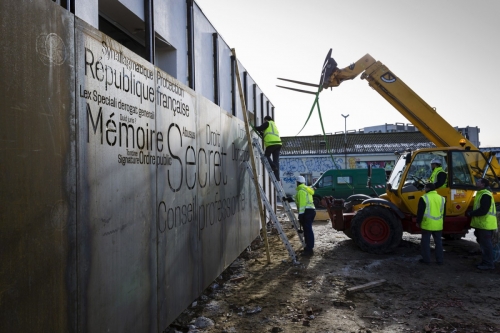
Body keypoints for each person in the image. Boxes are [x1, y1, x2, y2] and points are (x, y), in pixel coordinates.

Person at [466, 178, 497, 270]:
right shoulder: (481, 194)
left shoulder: (485, 195)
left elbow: (483, 210)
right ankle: (485, 262)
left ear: (483, 184)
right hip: (482, 224)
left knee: (486, 245)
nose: (476, 182)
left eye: (478, 181)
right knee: (484, 245)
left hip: (486, 224)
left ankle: (488, 264)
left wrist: (471, 213)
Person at [416, 183, 445, 265]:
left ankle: (426, 260)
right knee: (438, 243)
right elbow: (444, 213)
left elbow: (420, 212)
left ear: (428, 188)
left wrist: (418, 222)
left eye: (425, 187)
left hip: (427, 224)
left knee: (425, 242)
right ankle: (440, 260)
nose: (424, 189)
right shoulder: (442, 198)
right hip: (438, 224)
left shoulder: (424, 198)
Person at [254, 115, 282, 180]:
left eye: (264, 121)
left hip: (271, 143)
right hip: (278, 144)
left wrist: (254, 127)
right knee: (276, 160)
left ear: (266, 119)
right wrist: (260, 133)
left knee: (266, 156)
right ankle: (277, 177)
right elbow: (265, 134)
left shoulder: (267, 123)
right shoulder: (274, 125)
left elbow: (260, 128)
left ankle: (273, 166)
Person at [294, 176, 316, 256]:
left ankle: (309, 250)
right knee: (308, 230)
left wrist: (301, 215)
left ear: (297, 183)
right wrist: (290, 199)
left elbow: (302, 204)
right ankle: (309, 248)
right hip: (311, 211)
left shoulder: (301, 191)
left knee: (308, 231)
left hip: (306, 212)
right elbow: (298, 198)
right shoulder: (306, 189)